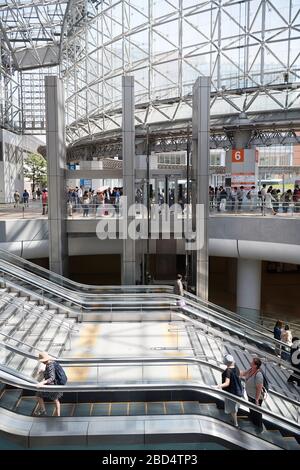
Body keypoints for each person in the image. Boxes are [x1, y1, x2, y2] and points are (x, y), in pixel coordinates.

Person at [217, 354, 243, 427]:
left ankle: (235, 423)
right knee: (234, 408)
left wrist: (218, 386)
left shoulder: (228, 371)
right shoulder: (236, 367)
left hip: (231, 392)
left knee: (232, 409)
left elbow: (227, 383)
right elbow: (239, 375)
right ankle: (234, 420)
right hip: (238, 391)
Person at [240, 357, 264, 432]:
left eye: (252, 362)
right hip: (250, 395)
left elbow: (259, 388)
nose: (250, 363)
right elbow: (243, 374)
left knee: (257, 413)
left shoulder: (258, 374)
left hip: (256, 398)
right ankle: (254, 424)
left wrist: (256, 400)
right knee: (252, 411)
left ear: (256, 365)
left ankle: (259, 428)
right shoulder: (251, 370)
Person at [35, 351, 63, 416]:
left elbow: (52, 377)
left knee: (38, 395)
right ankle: (57, 416)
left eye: (42, 360)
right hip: (55, 385)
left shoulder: (50, 366)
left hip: (52, 386)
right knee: (56, 400)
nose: (41, 362)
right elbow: (51, 373)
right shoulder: (52, 363)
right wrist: (43, 371)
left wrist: (42, 382)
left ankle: (43, 411)